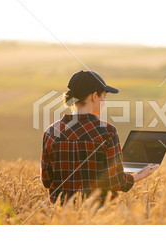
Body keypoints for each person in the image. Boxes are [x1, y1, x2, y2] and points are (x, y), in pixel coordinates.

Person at [41, 70, 157, 206]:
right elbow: (116, 182)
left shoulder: (51, 132)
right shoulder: (107, 132)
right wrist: (140, 175)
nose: (104, 102)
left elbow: (47, 181)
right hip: (100, 215)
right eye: (104, 97)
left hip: (62, 216)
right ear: (94, 96)